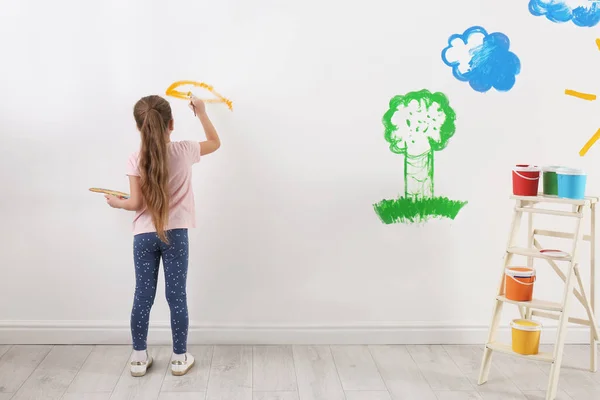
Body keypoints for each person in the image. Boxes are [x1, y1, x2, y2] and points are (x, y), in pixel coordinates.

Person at [105, 94, 220, 377]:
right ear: (171, 124)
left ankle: (138, 358)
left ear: (138, 127)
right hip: (176, 235)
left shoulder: (136, 159)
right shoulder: (184, 150)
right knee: (176, 296)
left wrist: (116, 201)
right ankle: (179, 358)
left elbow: (135, 204)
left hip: (144, 236)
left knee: (143, 296)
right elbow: (215, 143)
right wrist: (202, 112)